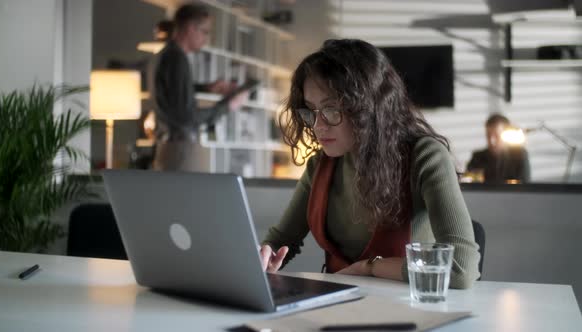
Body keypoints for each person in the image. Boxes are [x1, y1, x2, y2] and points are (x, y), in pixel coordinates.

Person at [259, 39, 480, 289]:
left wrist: (371, 267)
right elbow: (281, 241)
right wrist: (263, 257)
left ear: (369, 108)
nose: (318, 125)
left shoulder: (425, 157)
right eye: (311, 110)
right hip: (337, 306)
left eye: (332, 109)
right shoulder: (320, 166)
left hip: (407, 305)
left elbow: (461, 269)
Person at [152, 4, 243, 171]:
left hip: (171, 146)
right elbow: (186, 116)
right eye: (205, 31)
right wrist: (227, 106)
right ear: (190, 28)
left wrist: (206, 88)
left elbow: (175, 93)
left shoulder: (168, 54)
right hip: (179, 149)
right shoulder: (176, 58)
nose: (206, 38)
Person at [466, 114, 531, 184]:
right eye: (488, 135)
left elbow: (524, 187)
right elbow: (470, 184)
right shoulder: (477, 157)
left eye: (496, 136)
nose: (491, 141)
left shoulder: (519, 155)